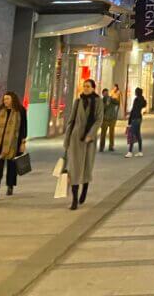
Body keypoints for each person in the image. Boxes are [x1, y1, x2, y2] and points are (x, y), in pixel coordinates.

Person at [64, 79, 104, 210]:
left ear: (93, 88)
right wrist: (67, 139)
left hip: (89, 140)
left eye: (88, 86)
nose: (85, 88)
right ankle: (74, 199)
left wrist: (90, 134)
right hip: (76, 139)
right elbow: (71, 121)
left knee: (87, 166)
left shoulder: (98, 102)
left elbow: (99, 120)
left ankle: (84, 190)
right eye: (84, 86)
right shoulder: (78, 101)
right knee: (74, 168)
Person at [0, 91, 27, 199]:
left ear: (13, 99)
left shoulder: (20, 110)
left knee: (11, 167)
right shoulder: (0, 110)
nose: (5, 101)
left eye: (7, 99)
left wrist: (23, 143)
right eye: (4, 99)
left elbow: (24, 127)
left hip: (13, 143)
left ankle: (10, 185)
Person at [126, 87, 147, 157]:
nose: (134, 93)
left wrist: (129, 121)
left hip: (135, 118)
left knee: (132, 134)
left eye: (135, 91)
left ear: (137, 92)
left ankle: (130, 152)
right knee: (138, 134)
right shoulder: (142, 99)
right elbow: (144, 105)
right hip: (139, 118)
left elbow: (133, 110)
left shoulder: (136, 99)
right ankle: (140, 151)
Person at [100, 86, 120, 152]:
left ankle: (111, 146)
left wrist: (113, 99)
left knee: (112, 133)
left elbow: (117, 103)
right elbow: (101, 110)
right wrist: (106, 104)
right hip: (105, 119)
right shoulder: (101, 101)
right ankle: (101, 147)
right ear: (102, 94)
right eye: (105, 93)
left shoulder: (111, 99)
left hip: (112, 119)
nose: (106, 94)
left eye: (107, 93)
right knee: (103, 134)